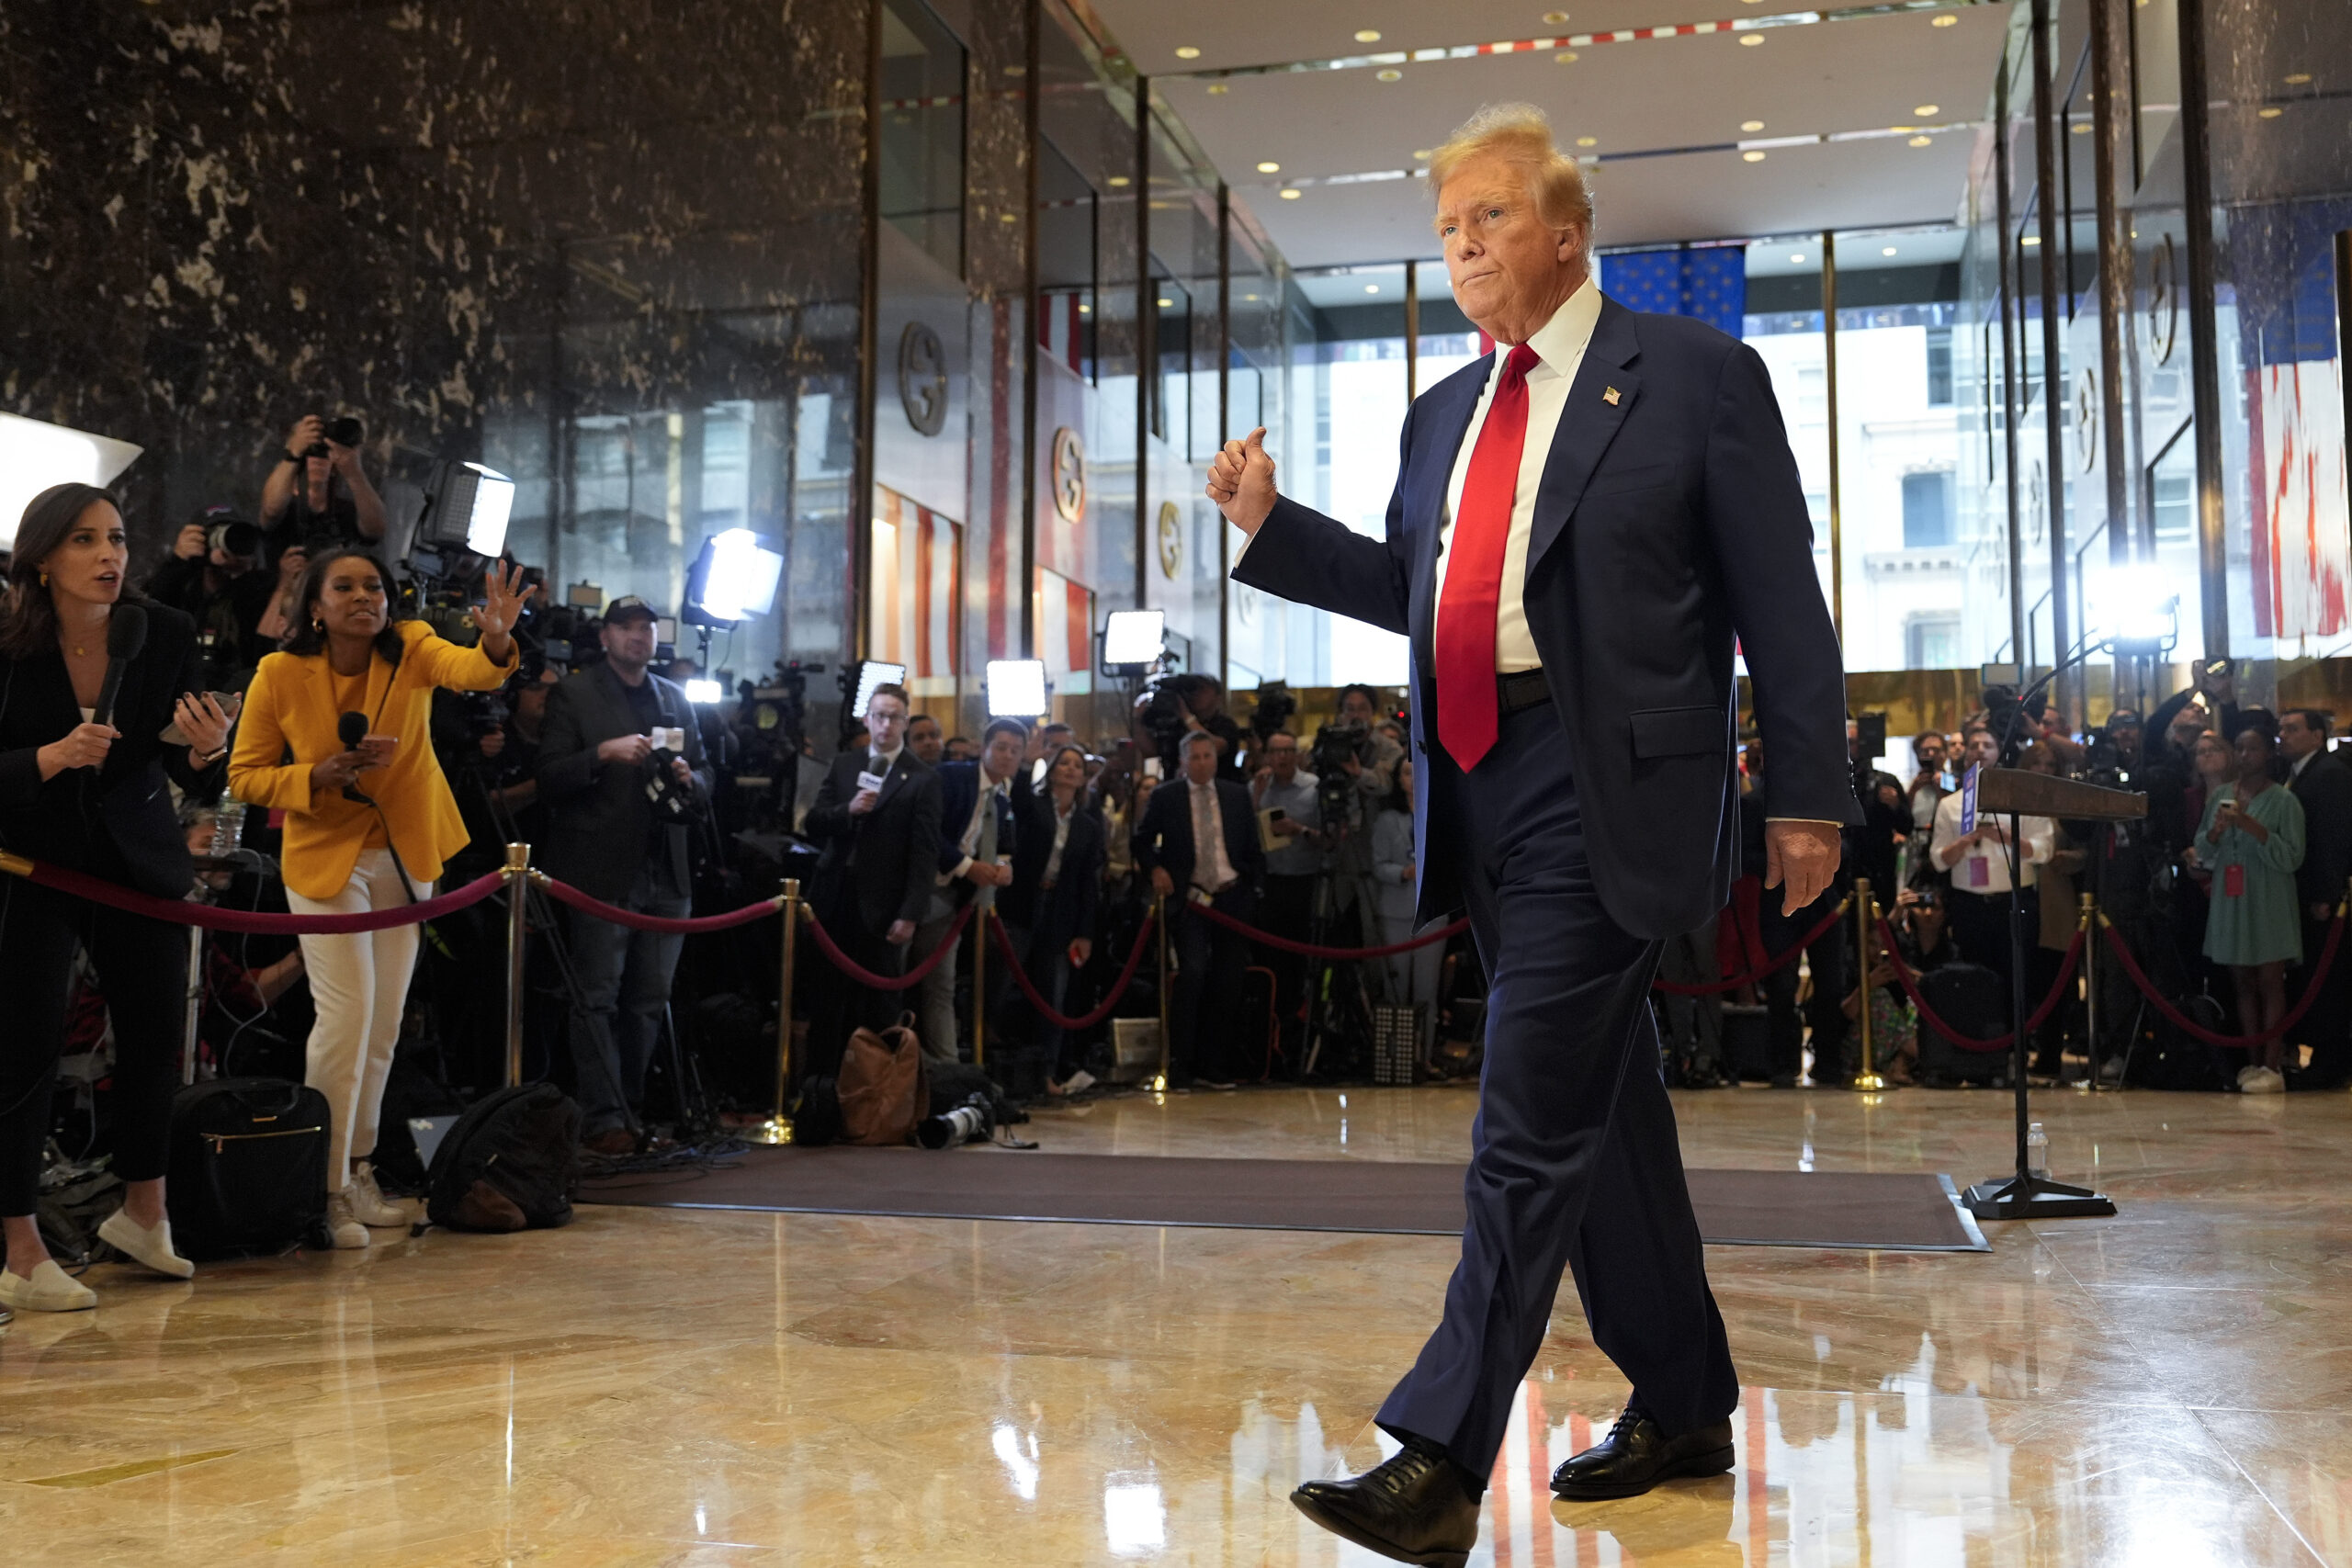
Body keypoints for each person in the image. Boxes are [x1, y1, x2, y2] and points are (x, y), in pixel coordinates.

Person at [1211, 103, 1853, 1558]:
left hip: (1611, 778)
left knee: (1522, 1106)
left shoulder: (1694, 377)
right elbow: (1425, 591)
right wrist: (1272, 525)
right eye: (1446, 226)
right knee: (1598, 1104)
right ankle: (1684, 1397)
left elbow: (1782, 599)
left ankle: (1437, 1450)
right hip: (1476, 779)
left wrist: (1808, 790)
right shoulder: (1443, 411)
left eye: (1488, 216)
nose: (1462, 244)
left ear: (1566, 230)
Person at [229, 552, 529, 1248]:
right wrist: (317, 774)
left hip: (405, 852)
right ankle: (324, 1188)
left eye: (374, 587)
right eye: (345, 587)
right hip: (325, 858)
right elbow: (245, 776)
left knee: (385, 1022)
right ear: (314, 605)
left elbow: (475, 671)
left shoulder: (415, 648)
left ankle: (360, 1170)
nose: (364, 597)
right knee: (346, 1017)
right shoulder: (279, 673)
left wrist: (495, 638)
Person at [0, 484, 234, 1312]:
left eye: (119, 539)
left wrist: (209, 753)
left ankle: (145, 1212)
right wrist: (49, 758)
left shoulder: (160, 630)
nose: (110, 557)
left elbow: (178, 758)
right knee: (25, 1047)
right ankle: (20, 1246)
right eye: (85, 541)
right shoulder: (6, 638)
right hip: (29, 861)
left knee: (154, 1037)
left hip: (136, 859)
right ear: (41, 557)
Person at [535, 597, 712, 1155]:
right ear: (606, 636)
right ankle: (603, 1117)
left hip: (668, 868)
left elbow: (708, 774)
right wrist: (601, 753)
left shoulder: (675, 698)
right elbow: (548, 777)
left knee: (648, 1000)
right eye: (628, 628)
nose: (640, 637)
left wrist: (692, 779)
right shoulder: (575, 693)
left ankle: (631, 1112)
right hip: (602, 868)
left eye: (648, 629)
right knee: (598, 997)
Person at [801, 684, 942, 1075]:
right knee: (826, 1001)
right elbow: (813, 822)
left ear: (905, 722)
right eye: (878, 716)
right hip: (834, 898)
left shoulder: (921, 778)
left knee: (879, 1005)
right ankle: (819, 1095)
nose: (885, 725)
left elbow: (924, 853)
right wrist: (848, 809)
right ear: (867, 719)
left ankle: (877, 1097)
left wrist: (911, 912)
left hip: (883, 905)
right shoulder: (846, 765)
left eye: (894, 717)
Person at [1135, 730, 1267, 1089]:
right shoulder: (1166, 796)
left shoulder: (1236, 795)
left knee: (1228, 981)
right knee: (1192, 974)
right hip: (1191, 898)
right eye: (1194, 757)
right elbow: (1142, 841)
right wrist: (1156, 869)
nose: (1202, 763)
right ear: (1182, 762)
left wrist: (1253, 889)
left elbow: (1253, 847)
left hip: (1231, 895)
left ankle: (1214, 1063)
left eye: (1207, 756)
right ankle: (1181, 1061)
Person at [2193, 719, 2306, 1093]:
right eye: (2239, 748)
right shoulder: (2221, 794)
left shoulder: (2285, 800)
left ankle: (2273, 1065)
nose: (2245, 755)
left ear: (2269, 753)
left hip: (2269, 896)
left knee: (2271, 980)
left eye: (2253, 748)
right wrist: (2218, 831)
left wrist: (2252, 826)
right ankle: (2252, 1060)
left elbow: (2292, 856)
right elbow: (2203, 848)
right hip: (2232, 894)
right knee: (2241, 981)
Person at [914, 719, 1024, 1064]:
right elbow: (928, 833)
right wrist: (968, 867)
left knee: (941, 984)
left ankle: (947, 1069)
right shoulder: (951, 777)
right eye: (1002, 747)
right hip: (914, 889)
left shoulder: (1002, 799)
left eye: (1015, 751)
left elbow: (1003, 846)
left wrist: (1002, 868)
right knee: (896, 979)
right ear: (984, 748)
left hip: (951, 899)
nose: (1007, 756)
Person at [1005, 743, 1105, 1091]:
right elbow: (1016, 799)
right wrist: (1028, 760)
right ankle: (997, 1060)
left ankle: (1046, 1071)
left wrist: (1085, 933)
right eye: (1063, 763)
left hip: (1061, 912)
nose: (1070, 769)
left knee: (1054, 994)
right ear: (1051, 769)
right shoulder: (1033, 805)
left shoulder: (1089, 825)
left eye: (1077, 765)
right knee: (1005, 979)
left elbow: (1087, 885)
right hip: (1021, 904)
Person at [1929, 727, 2055, 988]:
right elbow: (1939, 860)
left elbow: (2045, 851)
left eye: (1987, 745)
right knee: (1975, 982)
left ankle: (2019, 1029)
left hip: (2015, 902)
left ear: (1999, 755)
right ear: (1965, 757)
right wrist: (1966, 840)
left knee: (2019, 978)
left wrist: (2009, 838)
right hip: (1969, 906)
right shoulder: (1950, 805)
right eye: (1974, 745)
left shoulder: (2023, 800)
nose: (1980, 750)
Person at [2279, 708, 2352, 1087]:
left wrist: (2325, 892)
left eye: (2293, 729)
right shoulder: (2300, 774)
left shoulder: (2329, 774)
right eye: (2282, 729)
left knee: (2330, 979)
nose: (2283, 735)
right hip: (2305, 892)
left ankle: (2332, 1059)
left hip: (2324, 896)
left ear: (2317, 735)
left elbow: (2333, 838)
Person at [1250, 730, 1324, 1068]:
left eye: (1289, 750)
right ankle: (1270, 1031)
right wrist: (1256, 798)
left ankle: (1297, 1031)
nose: (1282, 757)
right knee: (1271, 958)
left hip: (1305, 882)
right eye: (1276, 751)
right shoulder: (1259, 788)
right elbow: (1245, 837)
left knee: (1299, 963)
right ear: (1267, 755)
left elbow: (1331, 840)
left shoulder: (1313, 788)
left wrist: (1300, 830)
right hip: (1270, 883)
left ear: (1298, 754)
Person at [1371, 757, 1445, 1066]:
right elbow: (1377, 865)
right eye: (1405, 772)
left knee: (1427, 989)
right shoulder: (1387, 820)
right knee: (1396, 987)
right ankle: (1394, 1059)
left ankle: (1423, 1058)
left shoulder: (1440, 812)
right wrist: (1404, 873)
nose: (1411, 778)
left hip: (1433, 914)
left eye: (1416, 771)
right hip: (1396, 910)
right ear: (1398, 780)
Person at [260, 412, 387, 556]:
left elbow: (375, 530)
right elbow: (271, 510)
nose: (318, 458)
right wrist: (293, 453)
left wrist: (354, 472)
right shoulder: (286, 504)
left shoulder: (346, 510)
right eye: (312, 452)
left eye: (325, 451)